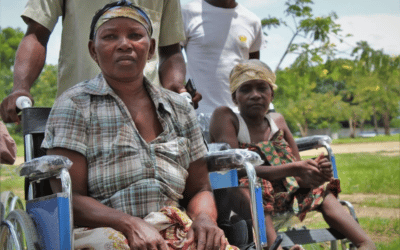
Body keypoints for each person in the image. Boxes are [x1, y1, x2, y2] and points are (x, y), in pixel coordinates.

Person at [41, 2, 236, 249]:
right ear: (93, 50)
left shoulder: (179, 108)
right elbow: (72, 198)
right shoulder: (74, 105)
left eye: (135, 35)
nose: (125, 44)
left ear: (152, 47)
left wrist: (205, 219)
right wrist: (129, 223)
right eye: (110, 36)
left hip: (174, 226)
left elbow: (199, 188)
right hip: (104, 230)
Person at [209, 60, 376, 250]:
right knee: (252, 187)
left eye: (262, 88)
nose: (255, 95)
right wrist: (294, 168)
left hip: (284, 191)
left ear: (272, 94)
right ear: (234, 97)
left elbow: (298, 173)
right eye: (246, 89)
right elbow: (236, 169)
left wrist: (316, 171)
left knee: (322, 192)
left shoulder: (277, 121)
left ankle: (364, 243)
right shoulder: (225, 117)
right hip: (240, 195)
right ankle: (274, 247)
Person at [0, 0, 201, 124]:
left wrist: (175, 86)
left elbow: (170, 49)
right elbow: (37, 34)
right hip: (78, 113)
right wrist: (20, 88)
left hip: (147, 117)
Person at [181, 0, 267, 115]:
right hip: (198, 115)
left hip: (240, 117)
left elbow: (254, 72)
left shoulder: (252, 21)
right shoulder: (187, 13)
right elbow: (170, 58)